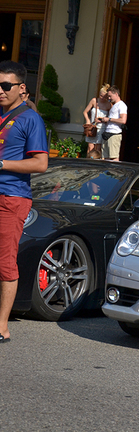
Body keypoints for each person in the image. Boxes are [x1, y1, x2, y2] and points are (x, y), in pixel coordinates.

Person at [0, 60, 49, 343]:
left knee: (5, 262)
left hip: (11, 197)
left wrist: (2, 164)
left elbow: (41, 164)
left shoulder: (31, 119)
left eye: (6, 86)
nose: (1, 91)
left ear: (21, 88)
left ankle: (2, 327)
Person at [98, 85, 127, 161]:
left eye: (110, 96)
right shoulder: (114, 106)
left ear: (116, 94)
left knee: (114, 158)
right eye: (108, 96)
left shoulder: (122, 105)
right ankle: (107, 172)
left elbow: (123, 120)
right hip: (107, 133)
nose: (109, 98)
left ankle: (114, 173)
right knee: (105, 157)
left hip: (114, 134)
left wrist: (109, 119)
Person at [82, 83, 111, 154]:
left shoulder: (109, 105)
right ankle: (88, 162)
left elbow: (111, 118)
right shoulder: (94, 101)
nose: (102, 98)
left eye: (105, 97)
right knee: (90, 147)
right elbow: (85, 112)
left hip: (102, 128)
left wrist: (104, 119)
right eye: (101, 96)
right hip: (92, 127)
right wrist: (88, 120)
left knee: (98, 149)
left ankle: (95, 163)